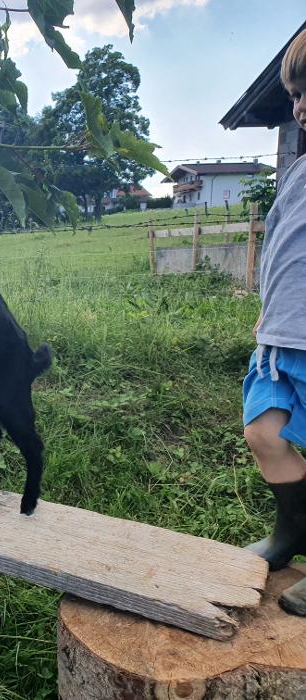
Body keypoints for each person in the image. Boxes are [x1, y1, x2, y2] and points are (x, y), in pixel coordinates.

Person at [242, 27, 306, 615]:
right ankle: (291, 532)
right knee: (264, 433)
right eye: (295, 93)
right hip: (281, 341)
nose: (300, 104)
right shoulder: (297, 174)